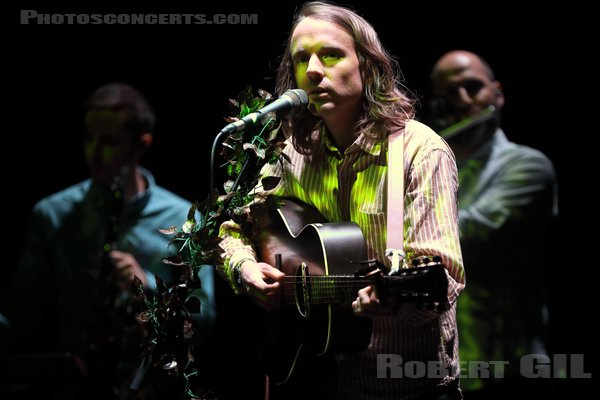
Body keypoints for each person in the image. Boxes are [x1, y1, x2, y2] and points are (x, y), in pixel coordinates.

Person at [217, 2, 465, 399]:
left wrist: (391, 299)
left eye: (330, 54)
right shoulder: (289, 154)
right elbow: (231, 228)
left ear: (368, 66)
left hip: (405, 385)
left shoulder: (420, 152)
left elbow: (443, 279)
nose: (313, 70)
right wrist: (245, 268)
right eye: (302, 59)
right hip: (311, 377)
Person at [0, 83, 216, 398]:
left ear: (142, 145)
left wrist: (145, 286)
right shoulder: (53, 214)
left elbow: (206, 320)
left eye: (109, 142)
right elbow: (19, 316)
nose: (94, 154)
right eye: (89, 139)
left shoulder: (184, 218)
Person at [428, 50, 558, 398]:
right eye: (448, 96)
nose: (464, 101)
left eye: (473, 88)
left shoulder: (528, 167)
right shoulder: (432, 171)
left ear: (497, 94)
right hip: (446, 374)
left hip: (510, 371)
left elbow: (465, 237)